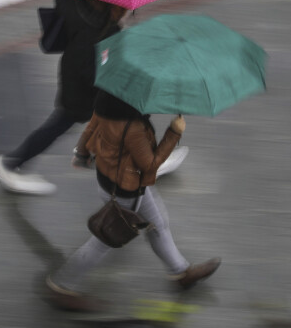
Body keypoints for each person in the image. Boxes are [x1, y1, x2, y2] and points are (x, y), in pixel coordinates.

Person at [0, 0, 188, 194]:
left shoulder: (75, 1)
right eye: (127, 6)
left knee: (68, 123)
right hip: (84, 90)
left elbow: (64, 0)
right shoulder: (104, 32)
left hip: (72, 77)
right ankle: (11, 163)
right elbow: (96, 72)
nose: (130, 9)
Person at [46, 90, 220, 312]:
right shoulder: (133, 127)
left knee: (158, 223)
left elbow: (91, 128)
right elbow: (150, 165)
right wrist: (174, 133)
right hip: (127, 190)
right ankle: (61, 286)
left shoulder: (106, 99)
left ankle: (180, 272)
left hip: (107, 179)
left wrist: (81, 153)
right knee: (103, 242)